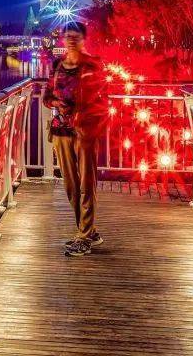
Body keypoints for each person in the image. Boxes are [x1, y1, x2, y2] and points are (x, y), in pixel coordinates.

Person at [42, 21, 110, 256]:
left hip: (85, 132)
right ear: (63, 38)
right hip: (61, 131)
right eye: (68, 36)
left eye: (76, 36)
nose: (71, 39)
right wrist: (55, 103)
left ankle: (83, 236)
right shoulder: (58, 65)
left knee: (86, 184)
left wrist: (86, 119)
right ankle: (88, 231)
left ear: (84, 39)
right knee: (71, 185)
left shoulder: (93, 65)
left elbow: (103, 100)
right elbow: (46, 96)